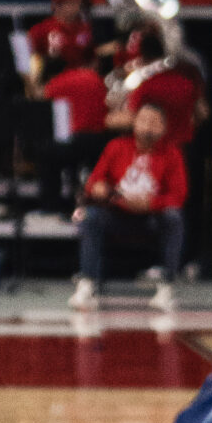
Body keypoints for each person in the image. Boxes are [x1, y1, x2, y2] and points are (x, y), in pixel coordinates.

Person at [70, 100, 187, 313]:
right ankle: (86, 283)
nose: (148, 126)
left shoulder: (172, 154)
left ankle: (167, 287)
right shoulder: (116, 147)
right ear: (135, 123)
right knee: (89, 216)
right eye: (143, 120)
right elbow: (92, 183)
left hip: (151, 218)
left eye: (154, 122)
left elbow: (178, 195)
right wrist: (99, 189)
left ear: (164, 127)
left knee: (174, 218)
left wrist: (151, 203)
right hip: (117, 213)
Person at [36, 51, 108, 212]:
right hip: (98, 142)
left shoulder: (54, 84)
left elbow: (44, 116)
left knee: (46, 155)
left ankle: (50, 206)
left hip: (71, 142)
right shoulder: (94, 77)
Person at [24, 0, 95, 82]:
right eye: (70, 3)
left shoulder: (84, 28)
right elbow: (27, 59)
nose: (76, 6)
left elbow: (91, 57)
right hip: (52, 81)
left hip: (79, 80)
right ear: (57, 5)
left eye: (77, 2)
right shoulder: (42, 29)